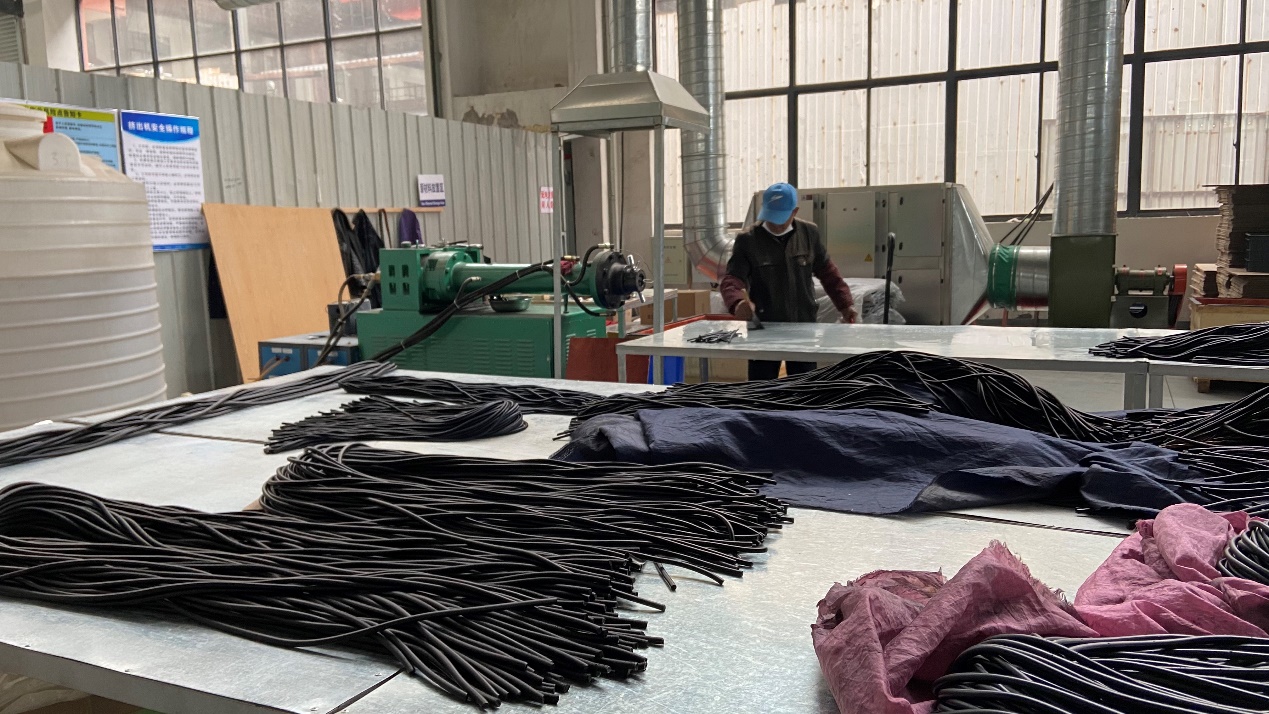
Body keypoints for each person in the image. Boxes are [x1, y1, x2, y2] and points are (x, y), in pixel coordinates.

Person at [720, 182, 857, 381]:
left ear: (795, 211)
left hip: (804, 327)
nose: (776, 224)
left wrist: (845, 305)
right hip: (764, 328)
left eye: (781, 218)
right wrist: (737, 302)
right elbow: (732, 278)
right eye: (771, 217)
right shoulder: (748, 240)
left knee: (803, 387)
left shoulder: (809, 234)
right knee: (761, 388)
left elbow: (829, 274)